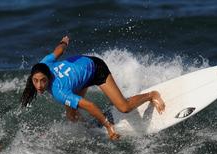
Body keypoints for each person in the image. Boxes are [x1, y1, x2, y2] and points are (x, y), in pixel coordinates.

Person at [21, 36, 165, 140]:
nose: (39, 85)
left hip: (95, 69)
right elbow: (59, 51)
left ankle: (151, 95)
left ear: (48, 77)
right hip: (79, 74)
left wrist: (108, 127)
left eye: (43, 81)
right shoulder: (43, 64)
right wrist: (63, 42)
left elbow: (90, 105)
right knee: (71, 116)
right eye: (35, 81)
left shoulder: (59, 92)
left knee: (124, 107)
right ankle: (92, 128)